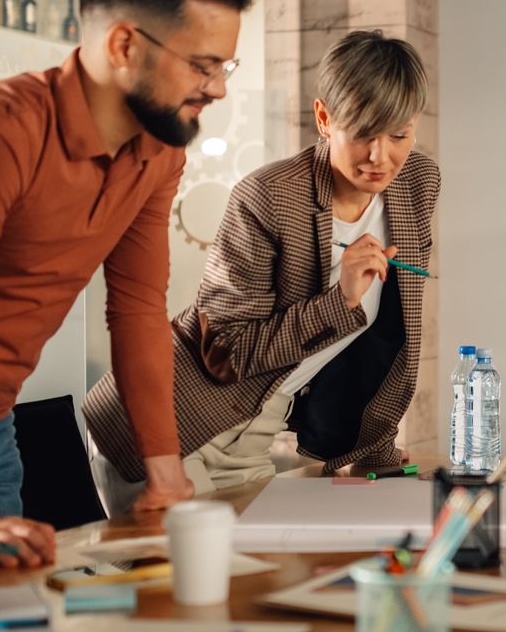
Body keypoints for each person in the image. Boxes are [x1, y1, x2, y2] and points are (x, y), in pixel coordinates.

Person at [0, 0, 252, 569]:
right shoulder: (2, 131)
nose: (218, 89)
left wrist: (165, 471)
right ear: (125, 44)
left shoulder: (159, 150)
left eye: (225, 67)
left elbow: (134, 307)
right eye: (202, 64)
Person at [85, 31, 439, 508]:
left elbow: (391, 335)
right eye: (362, 133)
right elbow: (224, 349)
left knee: (252, 575)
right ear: (324, 118)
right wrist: (340, 302)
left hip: (258, 428)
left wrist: (375, 449)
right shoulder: (268, 197)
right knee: (185, 579)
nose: (381, 156)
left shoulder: (416, 183)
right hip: (170, 420)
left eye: (399, 135)